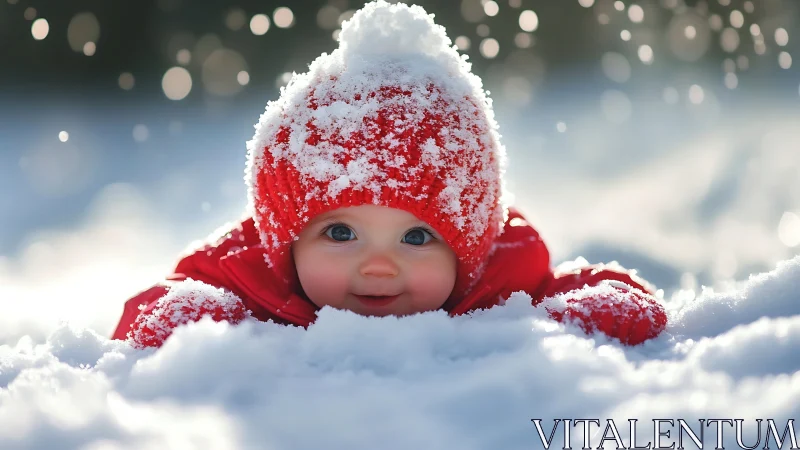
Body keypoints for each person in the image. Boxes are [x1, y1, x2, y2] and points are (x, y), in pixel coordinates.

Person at [112, 1, 667, 349]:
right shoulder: (247, 273)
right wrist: (193, 319)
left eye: (417, 236)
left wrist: (597, 309)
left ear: (469, 249)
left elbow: (586, 287)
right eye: (340, 232)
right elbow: (155, 305)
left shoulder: (503, 277)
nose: (378, 266)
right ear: (284, 237)